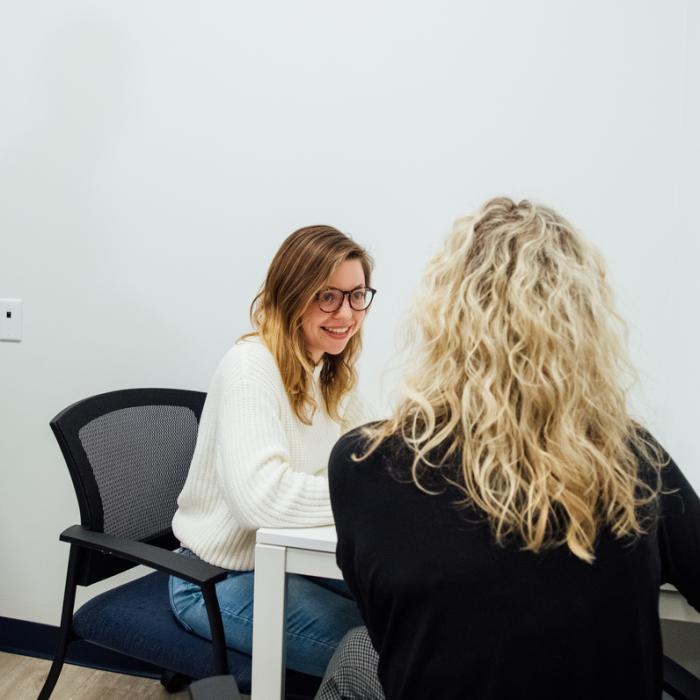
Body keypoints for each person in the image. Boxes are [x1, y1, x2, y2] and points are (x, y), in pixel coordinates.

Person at [320, 198, 700, 700]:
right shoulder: (631, 461)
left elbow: (394, 630)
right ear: (582, 323)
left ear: (443, 319)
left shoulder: (362, 464)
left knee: (355, 655)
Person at [169, 225, 377, 680]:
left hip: (284, 563)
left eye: (357, 295)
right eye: (328, 296)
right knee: (388, 659)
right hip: (213, 579)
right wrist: (371, 495)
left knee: (411, 623)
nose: (346, 312)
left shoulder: (329, 372)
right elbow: (260, 499)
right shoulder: (252, 367)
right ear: (292, 295)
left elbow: (376, 456)